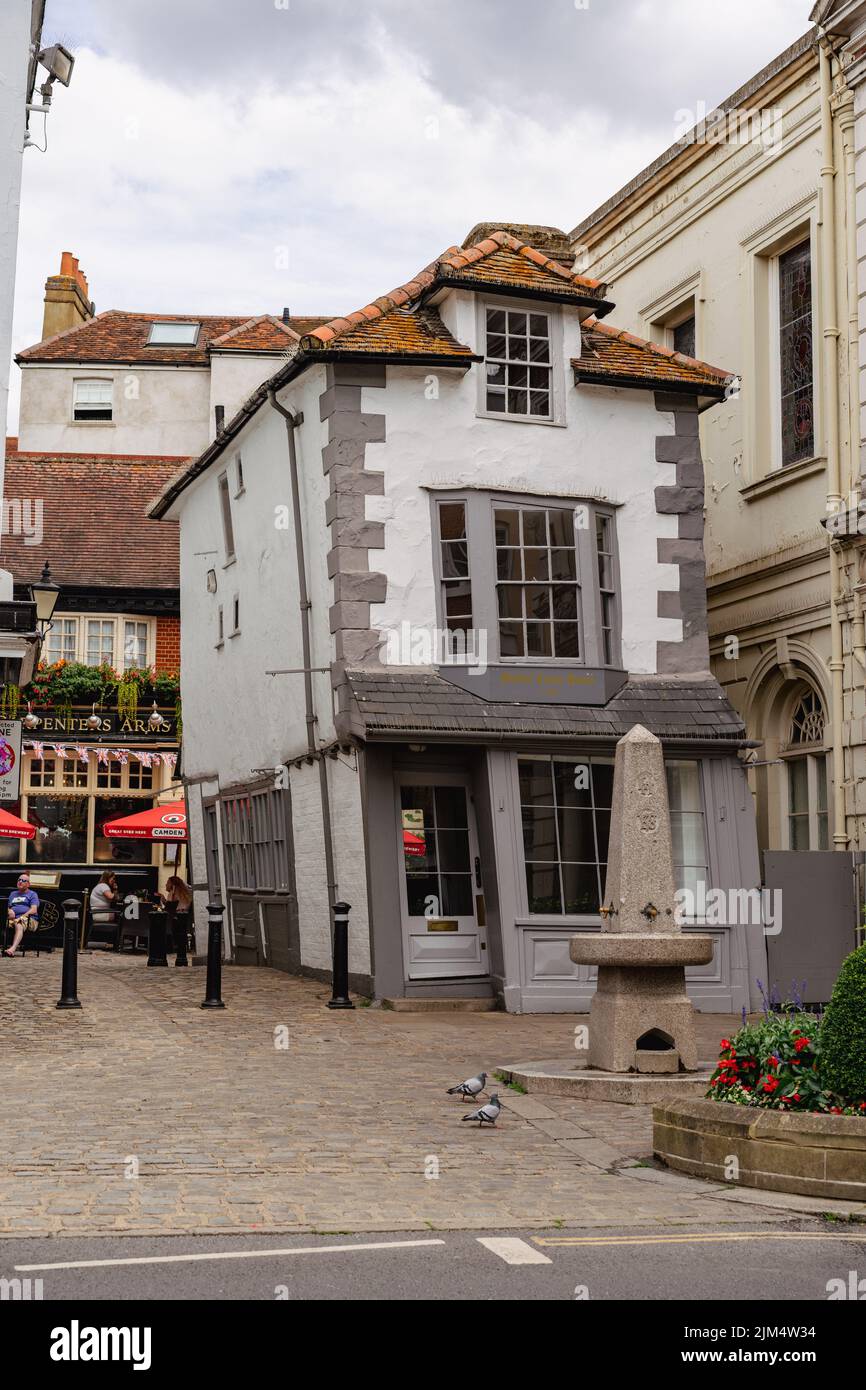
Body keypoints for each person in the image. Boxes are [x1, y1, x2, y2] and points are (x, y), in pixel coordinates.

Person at [5, 874, 39, 956]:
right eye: (19, 880)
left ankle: (12, 949)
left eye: (24, 881)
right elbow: (7, 907)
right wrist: (9, 911)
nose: (20, 881)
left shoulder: (32, 894)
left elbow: (34, 910)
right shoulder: (13, 894)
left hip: (30, 920)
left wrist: (22, 916)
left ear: (28, 884)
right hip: (12, 918)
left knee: (18, 922)